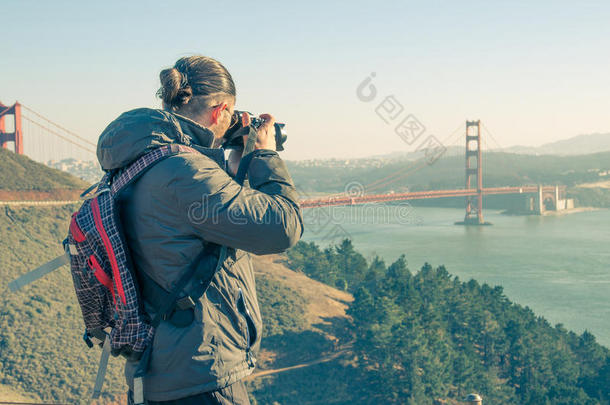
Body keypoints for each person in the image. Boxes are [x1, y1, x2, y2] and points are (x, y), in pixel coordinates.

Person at [95, 55, 303, 404]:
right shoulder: (184, 173)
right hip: (199, 379)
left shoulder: (139, 160)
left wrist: (234, 149)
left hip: (156, 373)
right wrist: (264, 154)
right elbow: (282, 227)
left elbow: (214, 220)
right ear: (220, 111)